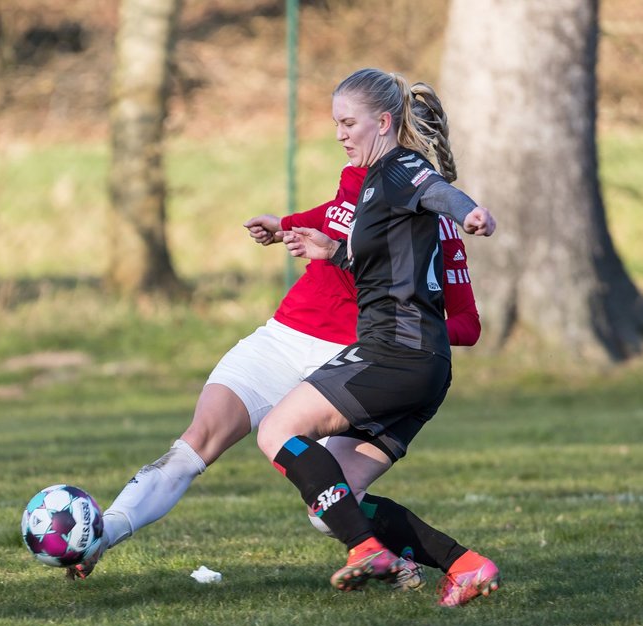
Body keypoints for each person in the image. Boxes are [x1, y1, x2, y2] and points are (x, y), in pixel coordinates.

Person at [70, 105, 481, 586]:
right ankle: (101, 535)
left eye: (350, 126)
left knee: (329, 506)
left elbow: (466, 323)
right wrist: (285, 224)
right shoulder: (363, 177)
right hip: (285, 336)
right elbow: (338, 214)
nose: (344, 138)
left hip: (355, 358)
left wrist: (404, 332)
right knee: (197, 439)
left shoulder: (437, 224)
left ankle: (402, 556)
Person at [261, 68, 501, 607]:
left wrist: (472, 214)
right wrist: (333, 253)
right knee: (337, 497)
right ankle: (466, 565)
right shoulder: (370, 184)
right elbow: (390, 263)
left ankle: (367, 550)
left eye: (349, 122)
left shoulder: (399, 168)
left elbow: (439, 191)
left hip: (395, 350)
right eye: (336, 124)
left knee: (277, 427)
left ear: (384, 121)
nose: (341, 133)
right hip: (422, 363)